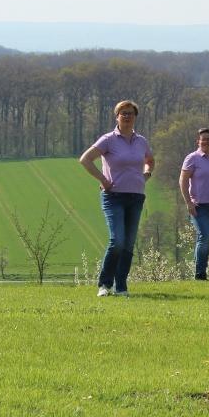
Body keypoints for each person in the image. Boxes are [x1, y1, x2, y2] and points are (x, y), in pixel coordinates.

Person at [80, 100, 155, 297]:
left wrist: (147, 174)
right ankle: (104, 285)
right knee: (117, 241)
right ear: (117, 117)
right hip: (114, 197)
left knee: (129, 244)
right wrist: (103, 179)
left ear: (135, 117)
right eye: (123, 113)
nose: (127, 116)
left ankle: (121, 286)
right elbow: (85, 159)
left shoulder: (141, 141)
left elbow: (150, 160)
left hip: (136, 197)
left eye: (130, 113)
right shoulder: (108, 140)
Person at [180, 128, 209, 281]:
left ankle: (200, 271)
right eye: (203, 139)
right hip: (199, 205)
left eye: (208, 139)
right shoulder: (192, 158)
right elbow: (183, 181)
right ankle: (200, 274)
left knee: (205, 238)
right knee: (205, 236)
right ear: (198, 141)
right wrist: (188, 202)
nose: (206, 141)